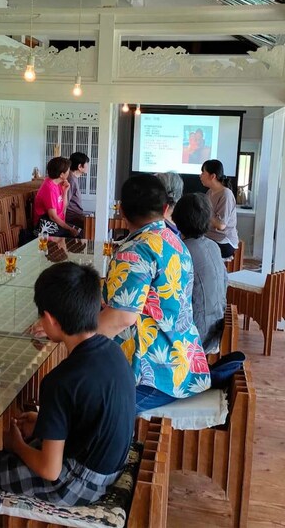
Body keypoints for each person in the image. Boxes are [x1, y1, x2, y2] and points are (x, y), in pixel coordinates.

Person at [0, 262, 135, 505]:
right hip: (110, 466)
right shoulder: (114, 351)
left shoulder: (60, 381)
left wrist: (17, 446)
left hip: (79, 483)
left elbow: (50, 471)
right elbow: (87, 415)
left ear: (50, 319)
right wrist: (42, 423)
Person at [99, 174, 211, 413]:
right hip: (184, 366)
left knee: (79, 404)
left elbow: (121, 318)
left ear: (121, 211)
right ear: (165, 209)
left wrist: (71, 335)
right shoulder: (175, 242)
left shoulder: (136, 251)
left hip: (152, 377)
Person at [172, 193, 228, 353]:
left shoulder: (181, 251)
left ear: (177, 220)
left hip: (197, 337)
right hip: (216, 328)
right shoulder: (213, 246)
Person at [200, 159, 239, 259]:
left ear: (212, 176)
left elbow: (221, 225)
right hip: (210, 236)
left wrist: (204, 212)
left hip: (224, 241)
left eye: (203, 173)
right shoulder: (210, 192)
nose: (200, 176)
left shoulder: (226, 194)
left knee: (196, 249)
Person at [33, 157, 80, 238]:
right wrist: (69, 229)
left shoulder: (58, 183)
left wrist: (65, 191)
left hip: (57, 223)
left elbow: (63, 207)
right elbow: (53, 217)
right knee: (77, 236)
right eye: (68, 171)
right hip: (47, 226)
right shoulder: (49, 188)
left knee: (80, 233)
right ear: (61, 175)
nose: (69, 173)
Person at [66, 152, 90, 229]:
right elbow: (65, 202)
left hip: (77, 215)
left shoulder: (73, 178)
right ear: (80, 166)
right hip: (72, 217)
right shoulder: (71, 179)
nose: (88, 166)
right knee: (97, 226)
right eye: (86, 164)